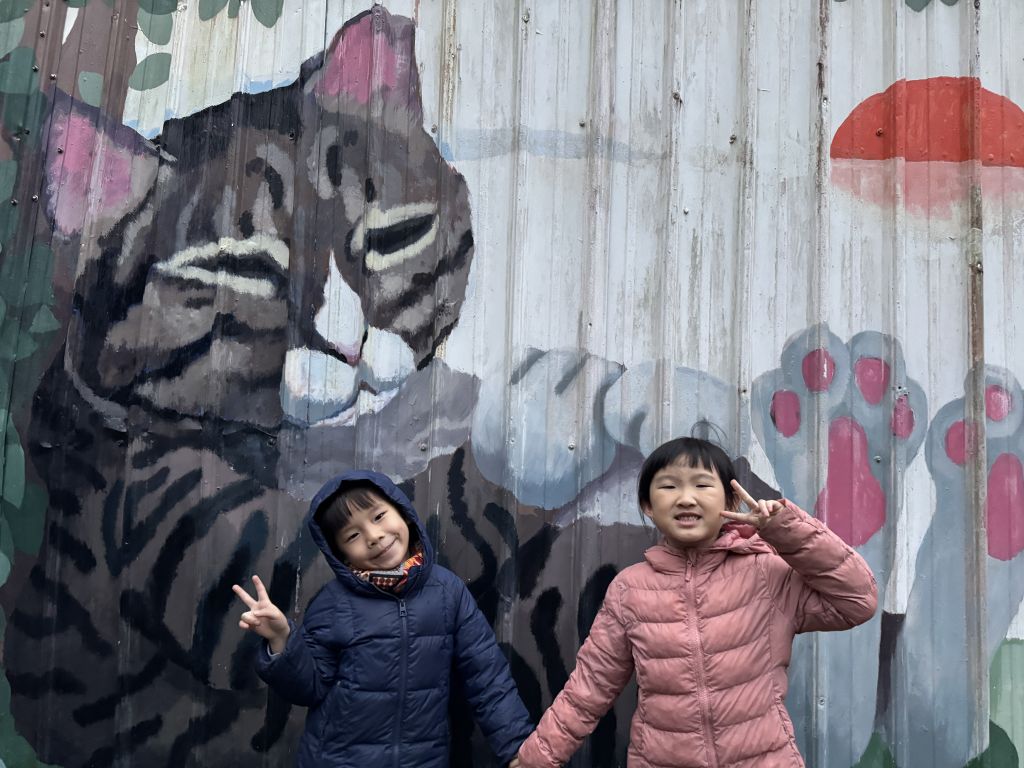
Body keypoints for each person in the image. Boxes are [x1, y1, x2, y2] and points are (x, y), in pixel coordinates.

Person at [515, 437, 878, 767]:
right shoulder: (629, 590)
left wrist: (784, 529)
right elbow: (589, 688)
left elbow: (857, 600)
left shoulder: (766, 573)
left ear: (730, 501)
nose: (686, 498)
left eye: (702, 485)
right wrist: (535, 759)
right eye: (669, 486)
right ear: (648, 505)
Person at [233, 469, 532, 767]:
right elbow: (308, 688)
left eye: (378, 516)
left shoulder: (448, 592)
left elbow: (487, 676)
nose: (374, 536)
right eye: (353, 535)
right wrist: (282, 640)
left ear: (403, 513)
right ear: (341, 555)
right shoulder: (333, 603)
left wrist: (516, 749)